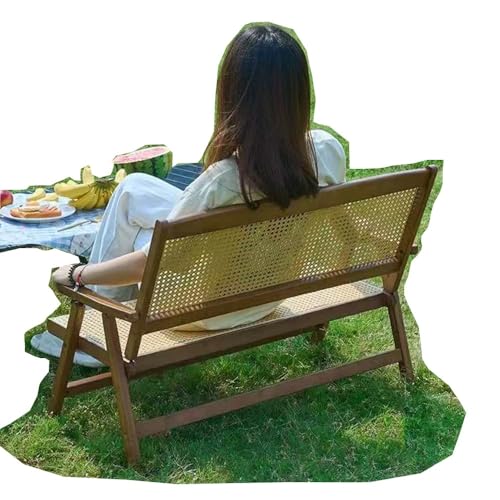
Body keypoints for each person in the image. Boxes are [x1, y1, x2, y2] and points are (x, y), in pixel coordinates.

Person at [51, 22, 346, 334]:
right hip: (267, 293)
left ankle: (94, 332)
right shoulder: (326, 150)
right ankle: (100, 325)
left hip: (197, 310)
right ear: (299, 90)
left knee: (142, 234)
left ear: (233, 93)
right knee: (132, 188)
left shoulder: (224, 180)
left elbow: (153, 263)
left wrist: (77, 274)